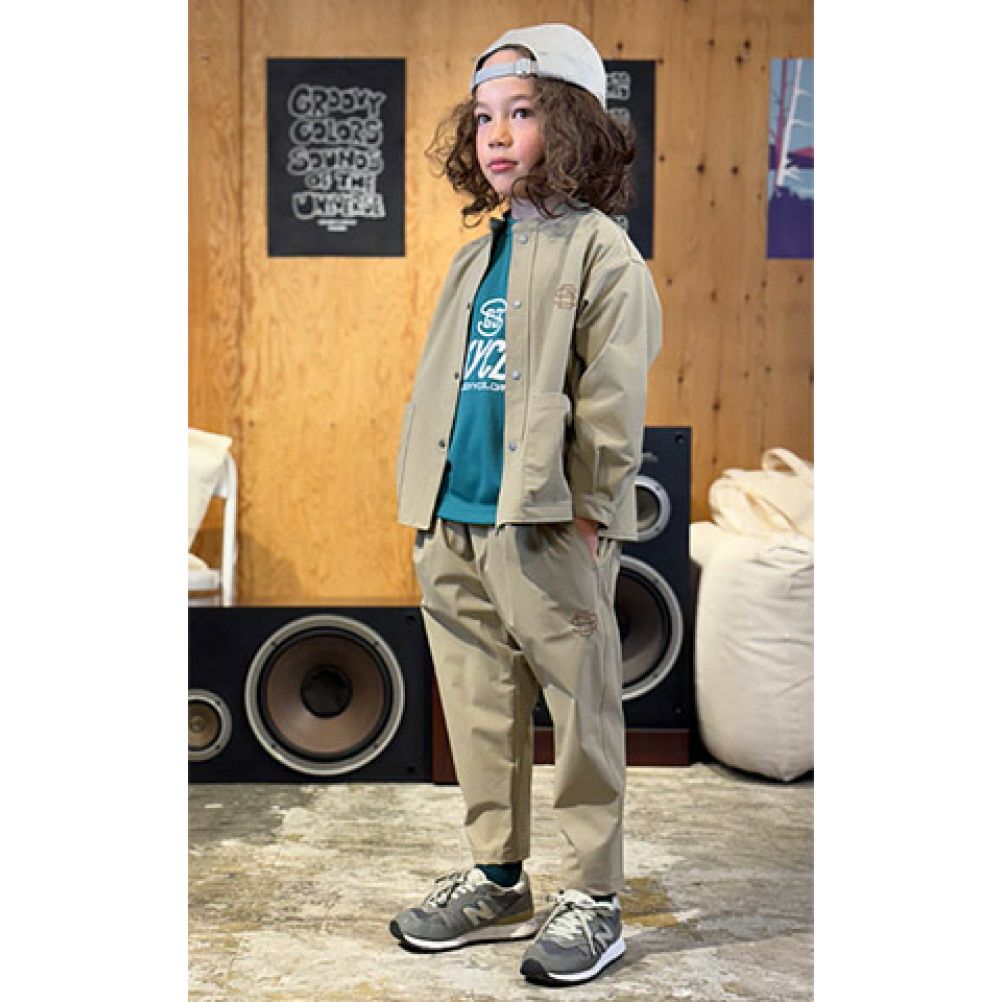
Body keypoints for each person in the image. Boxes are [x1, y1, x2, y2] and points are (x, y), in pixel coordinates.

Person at [391, 22, 662, 987]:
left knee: (581, 706)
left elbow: (613, 402)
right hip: (452, 517)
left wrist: (588, 513)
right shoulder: (475, 259)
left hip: (545, 522)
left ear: (574, 124)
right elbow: (445, 381)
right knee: (477, 704)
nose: (497, 136)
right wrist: (423, 499)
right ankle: (498, 878)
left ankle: (594, 897)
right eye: (483, 119)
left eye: (521, 113)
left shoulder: (604, 255)